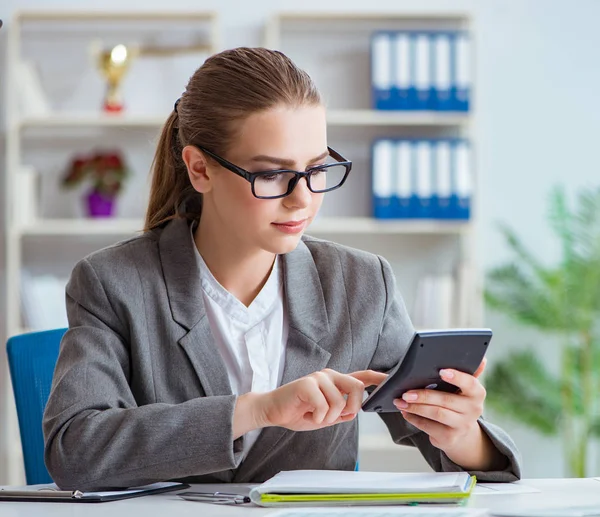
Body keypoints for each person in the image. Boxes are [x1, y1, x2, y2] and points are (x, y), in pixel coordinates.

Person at [43, 47, 521, 491]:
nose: (303, 199)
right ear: (200, 169)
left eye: (316, 169)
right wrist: (257, 410)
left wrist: (459, 434)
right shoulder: (112, 283)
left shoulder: (361, 284)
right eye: (272, 174)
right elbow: (75, 451)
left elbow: (473, 464)